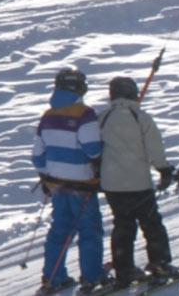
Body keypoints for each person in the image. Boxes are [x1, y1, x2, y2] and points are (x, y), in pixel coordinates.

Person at [97, 76, 179, 289]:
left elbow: (95, 149)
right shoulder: (140, 117)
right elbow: (154, 148)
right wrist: (163, 170)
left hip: (113, 186)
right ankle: (159, 264)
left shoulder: (102, 118)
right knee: (151, 224)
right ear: (133, 93)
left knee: (122, 226)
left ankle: (124, 270)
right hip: (138, 183)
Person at [32, 68, 105, 293]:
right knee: (89, 231)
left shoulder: (48, 116)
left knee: (60, 231)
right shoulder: (84, 114)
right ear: (79, 88)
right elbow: (93, 149)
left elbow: (37, 156)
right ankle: (92, 278)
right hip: (82, 184)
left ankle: (53, 278)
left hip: (57, 185)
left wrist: (48, 174)